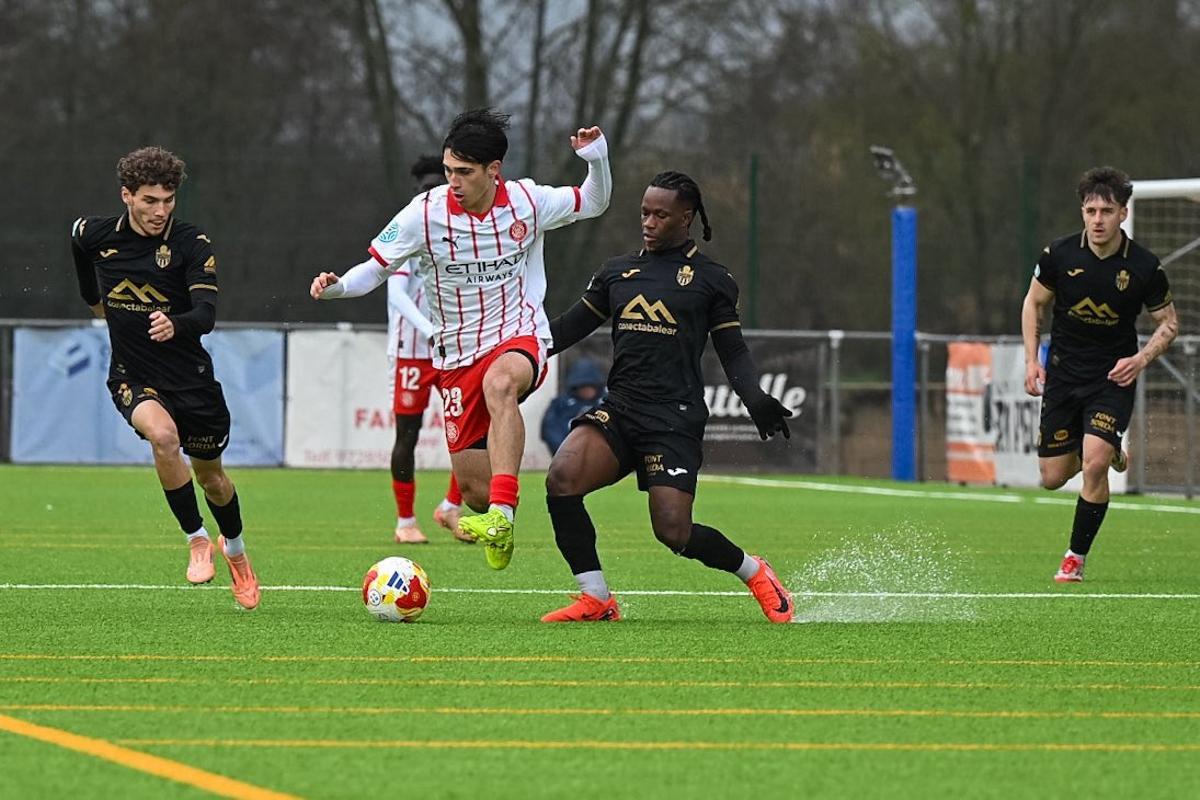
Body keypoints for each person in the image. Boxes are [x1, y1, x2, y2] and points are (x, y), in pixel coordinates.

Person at [310, 109, 611, 570]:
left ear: (494, 171)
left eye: (464, 173)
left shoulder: (528, 202)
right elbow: (375, 269)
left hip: (519, 336)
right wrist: (337, 287)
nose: (452, 181)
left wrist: (596, 158)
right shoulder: (423, 215)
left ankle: (503, 515)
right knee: (473, 492)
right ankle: (494, 511)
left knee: (501, 383)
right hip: (456, 356)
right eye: (449, 170)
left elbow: (594, 202)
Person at [539, 171, 795, 623]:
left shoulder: (712, 279)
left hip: (673, 419)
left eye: (660, 214)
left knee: (674, 532)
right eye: (644, 213)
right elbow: (569, 327)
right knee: (561, 479)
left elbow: (732, 348)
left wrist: (755, 397)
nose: (649, 222)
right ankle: (596, 597)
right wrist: (517, 351)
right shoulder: (616, 271)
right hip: (619, 410)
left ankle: (754, 571)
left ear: (687, 217)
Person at [71, 146, 259, 609]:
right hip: (132, 373)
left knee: (213, 478)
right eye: (150, 200)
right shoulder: (96, 234)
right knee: (162, 435)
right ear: (127, 196)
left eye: (168, 200)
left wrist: (177, 322)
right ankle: (197, 539)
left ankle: (234, 551)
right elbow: (78, 243)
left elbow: (207, 313)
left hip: (190, 377)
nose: (160, 211)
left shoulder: (192, 244)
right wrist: (92, 299)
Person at [1022, 166, 1178, 583]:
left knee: (1093, 466)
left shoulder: (1144, 267)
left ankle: (1074, 557)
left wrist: (1140, 360)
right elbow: (1032, 303)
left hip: (1112, 379)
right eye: (1090, 210)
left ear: (1123, 213)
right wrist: (1032, 361)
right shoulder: (1059, 255)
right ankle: (1108, 449)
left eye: (1106, 211)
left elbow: (1169, 323)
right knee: (1053, 478)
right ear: (1082, 212)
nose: (1097, 220)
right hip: (1063, 375)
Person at [386, 155, 472, 544]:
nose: (432, 194)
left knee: (468, 431)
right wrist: (428, 328)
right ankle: (405, 521)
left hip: (452, 350)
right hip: (411, 350)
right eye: (425, 189)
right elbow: (395, 292)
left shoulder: (464, 232)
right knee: (408, 434)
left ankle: (451, 506)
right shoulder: (408, 229)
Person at [539, 357, 605, 454]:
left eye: (590, 386)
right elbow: (550, 429)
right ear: (576, 387)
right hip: (568, 455)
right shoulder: (562, 404)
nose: (587, 390)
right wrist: (565, 451)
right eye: (583, 386)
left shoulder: (606, 402)